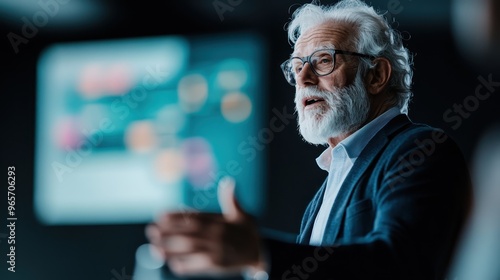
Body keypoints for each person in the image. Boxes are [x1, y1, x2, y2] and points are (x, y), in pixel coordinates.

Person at [145, 0, 473, 279]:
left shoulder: (418, 149)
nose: (302, 77)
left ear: (376, 75)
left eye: (323, 60)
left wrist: (259, 251)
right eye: (297, 66)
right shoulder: (326, 190)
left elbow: (398, 266)